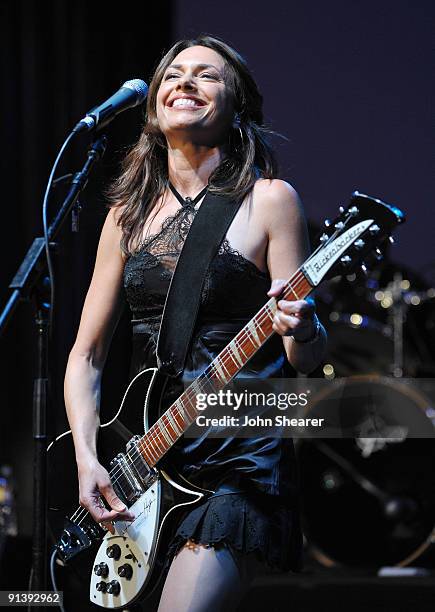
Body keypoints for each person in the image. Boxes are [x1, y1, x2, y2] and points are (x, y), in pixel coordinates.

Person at [64, 35, 327, 611]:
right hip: (148, 456)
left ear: (236, 106)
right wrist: (87, 458)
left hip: (237, 457)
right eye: (174, 74)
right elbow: (86, 355)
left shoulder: (270, 200)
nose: (185, 82)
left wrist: (303, 327)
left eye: (207, 76)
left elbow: (304, 359)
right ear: (155, 103)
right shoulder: (125, 214)